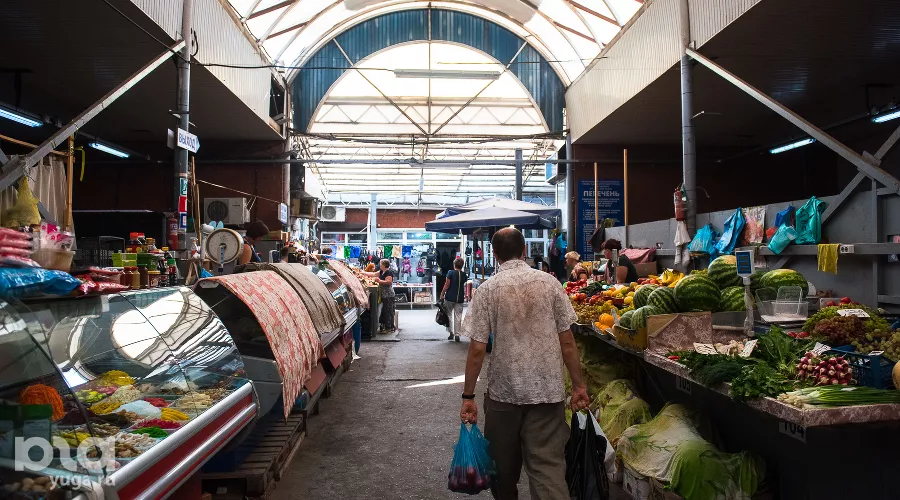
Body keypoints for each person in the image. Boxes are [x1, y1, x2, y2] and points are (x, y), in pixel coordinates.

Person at [460, 228, 590, 500]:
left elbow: (477, 349)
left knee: (503, 472)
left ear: (494, 255)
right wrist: (578, 386)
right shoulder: (551, 284)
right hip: (548, 392)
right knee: (548, 469)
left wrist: (468, 396)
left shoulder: (487, 291)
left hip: (503, 396)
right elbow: (567, 341)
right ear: (524, 251)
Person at [440, 257, 469, 342]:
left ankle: (451, 333)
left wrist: (442, 294)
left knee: (448, 314)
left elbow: (447, 284)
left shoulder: (450, 272)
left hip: (449, 297)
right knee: (458, 316)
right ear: (462, 265)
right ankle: (457, 334)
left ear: (454, 265)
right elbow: (464, 285)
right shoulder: (464, 275)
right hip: (459, 298)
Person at [363, 259, 395, 333]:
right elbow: (373, 274)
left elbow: (389, 282)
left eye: (380, 264)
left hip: (388, 295)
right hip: (384, 294)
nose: (379, 265)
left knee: (388, 311)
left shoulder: (388, 272)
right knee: (384, 311)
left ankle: (389, 328)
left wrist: (379, 281)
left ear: (383, 265)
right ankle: (386, 327)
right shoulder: (381, 271)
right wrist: (363, 273)